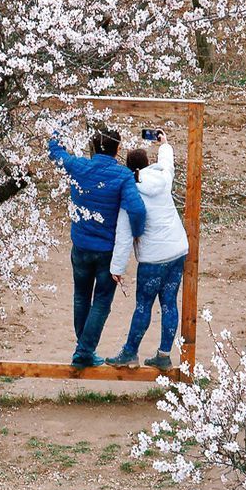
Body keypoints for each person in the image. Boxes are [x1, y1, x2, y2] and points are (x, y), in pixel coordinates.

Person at [48, 126, 146, 368]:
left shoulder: (78, 166)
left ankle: (84, 350)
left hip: (80, 245)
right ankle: (84, 351)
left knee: (81, 296)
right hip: (106, 250)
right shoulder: (123, 176)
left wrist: (59, 128)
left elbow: (55, 152)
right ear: (118, 149)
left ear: (92, 146)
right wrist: (136, 233)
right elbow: (137, 209)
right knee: (101, 301)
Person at [105, 130, 188, 371]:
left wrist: (117, 268)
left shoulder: (130, 192)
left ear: (129, 169)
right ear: (147, 164)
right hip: (177, 250)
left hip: (153, 258)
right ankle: (163, 354)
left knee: (143, 304)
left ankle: (130, 352)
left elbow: (123, 234)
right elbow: (167, 164)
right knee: (169, 302)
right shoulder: (162, 178)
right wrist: (164, 144)